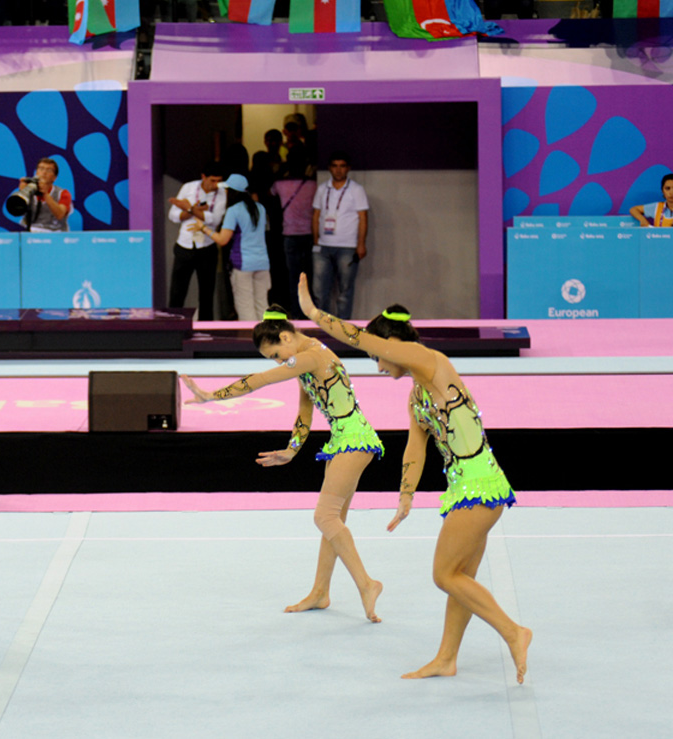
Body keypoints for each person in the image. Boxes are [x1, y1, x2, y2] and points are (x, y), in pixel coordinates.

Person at [296, 279, 531, 682]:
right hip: (465, 486)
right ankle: (446, 658)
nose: (379, 365)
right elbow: (415, 449)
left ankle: (514, 631)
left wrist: (316, 315)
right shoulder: (417, 394)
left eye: (379, 356)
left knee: (445, 575)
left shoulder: (428, 361)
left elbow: (360, 339)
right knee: (462, 577)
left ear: (390, 344)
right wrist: (406, 496)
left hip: (480, 484)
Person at [180, 306, 384, 622]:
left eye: (276, 353)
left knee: (325, 517)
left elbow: (261, 380)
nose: (278, 361)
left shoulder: (312, 355)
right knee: (333, 522)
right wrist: (292, 450)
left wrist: (211, 395)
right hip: (344, 440)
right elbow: (305, 410)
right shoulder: (305, 364)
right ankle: (320, 592)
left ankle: (367, 584)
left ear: (286, 336)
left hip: (355, 440)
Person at [194, 174, 271, 322]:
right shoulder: (260, 208)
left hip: (243, 265)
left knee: (245, 307)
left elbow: (222, 240)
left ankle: (251, 341)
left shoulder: (234, 211)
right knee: (262, 305)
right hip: (262, 263)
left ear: (233, 191)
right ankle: (266, 340)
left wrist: (203, 228)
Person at [311, 151, 367, 320]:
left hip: (347, 246)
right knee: (320, 290)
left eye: (342, 166)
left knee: (344, 290)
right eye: (335, 166)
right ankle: (324, 326)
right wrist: (316, 241)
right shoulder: (322, 189)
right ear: (329, 168)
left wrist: (361, 244)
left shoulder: (356, 190)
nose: (338, 170)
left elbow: (363, 217)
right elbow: (316, 215)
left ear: (348, 168)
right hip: (323, 245)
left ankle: (343, 328)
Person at [168, 162, 227, 320]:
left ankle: (206, 332)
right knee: (177, 293)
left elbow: (214, 219)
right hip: (184, 245)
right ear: (203, 177)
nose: (215, 185)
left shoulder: (221, 194)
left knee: (207, 294)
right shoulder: (188, 187)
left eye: (218, 181)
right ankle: (173, 328)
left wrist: (189, 208)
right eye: (212, 180)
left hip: (207, 247)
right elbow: (173, 215)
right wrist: (195, 210)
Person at [275, 125, 315, 318]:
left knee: (293, 277)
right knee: (310, 275)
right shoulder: (313, 184)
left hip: (289, 235)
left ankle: (296, 313)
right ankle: (310, 312)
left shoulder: (280, 184)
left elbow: (271, 194)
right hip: (309, 234)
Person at [16, 157, 72, 232]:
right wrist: (21, 193)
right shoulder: (29, 190)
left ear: (54, 178)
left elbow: (60, 214)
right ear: (36, 173)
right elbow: (16, 211)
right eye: (41, 169)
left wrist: (45, 194)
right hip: (30, 233)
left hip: (55, 233)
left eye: (49, 170)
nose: (44, 172)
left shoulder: (63, 193)